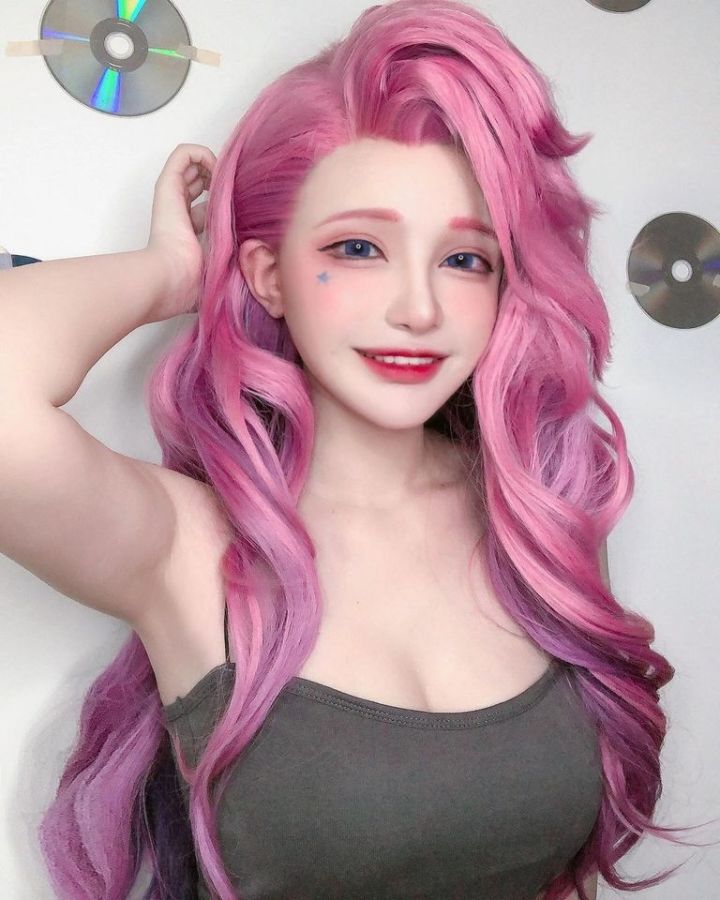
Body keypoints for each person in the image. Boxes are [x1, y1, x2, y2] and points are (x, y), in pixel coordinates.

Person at [0, 1, 710, 898]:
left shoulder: (540, 519)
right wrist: (174, 275)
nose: (418, 308)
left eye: (465, 259)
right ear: (269, 276)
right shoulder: (184, 547)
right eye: (360, 247)